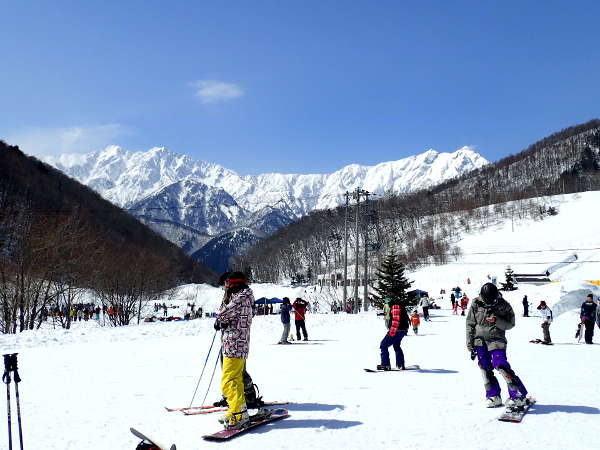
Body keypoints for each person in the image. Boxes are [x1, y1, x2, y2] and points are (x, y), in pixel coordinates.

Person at [466, 283, 528, 408]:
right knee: (485, 368)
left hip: (496, 340)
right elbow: (470, 324)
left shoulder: (504, 305)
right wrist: (470, 343)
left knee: (501, 365)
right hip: (480, 341)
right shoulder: (476, 303)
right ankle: (493, 396)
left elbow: (511, 324)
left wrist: (497, 321)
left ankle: (517, 395)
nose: (489, 303)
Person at [213, 271, 256, 429]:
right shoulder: (247, 297)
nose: (227, 287)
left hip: (234, 344)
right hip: (240, 343)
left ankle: (239, 415)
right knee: (236, 380)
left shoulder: (239, 299)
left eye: (228, 284)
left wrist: (220, 321)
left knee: (228, 382)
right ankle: (236, 410)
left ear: (233, 284)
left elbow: (223, 314)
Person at [378, 298, 409, 370]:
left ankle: (385, 364)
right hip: (402, 331)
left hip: (396, 331)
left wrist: (391, 333)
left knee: (383, 345)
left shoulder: (395, 307)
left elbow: (396, 320)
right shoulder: (400, 306)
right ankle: (400, 364)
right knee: (396, 346)